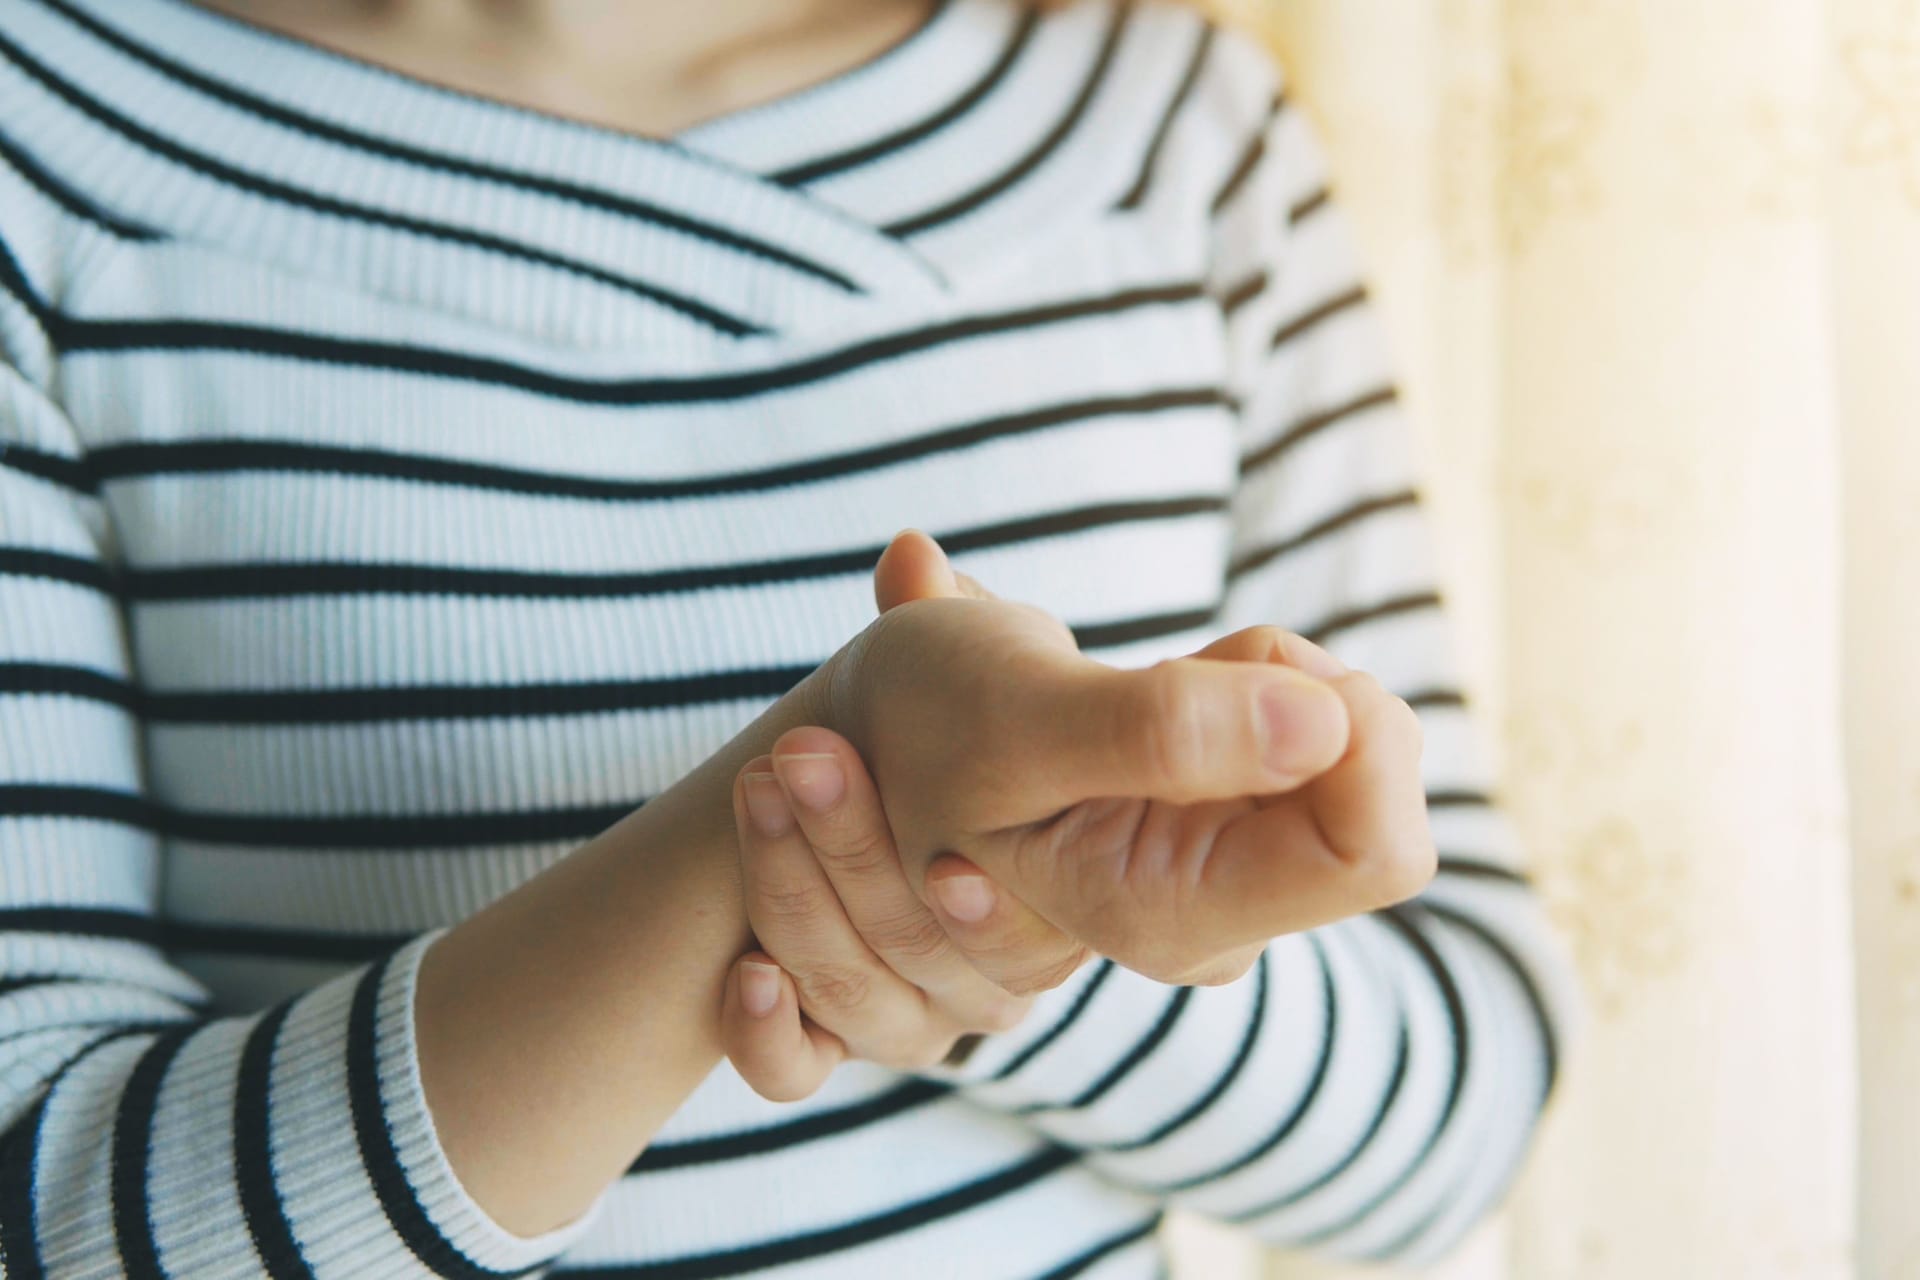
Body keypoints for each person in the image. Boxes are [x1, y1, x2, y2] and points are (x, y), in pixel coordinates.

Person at [0, 0, 1580, 1275]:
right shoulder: (46, 137)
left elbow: (1460, 1111)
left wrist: (1032, 913)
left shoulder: (1171, 127)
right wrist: (824, 816)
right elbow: (36, 1209)